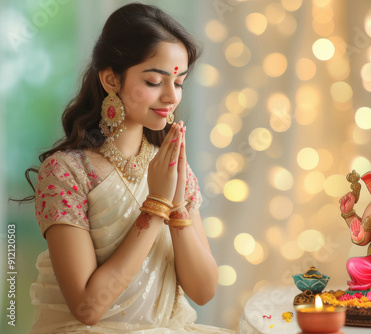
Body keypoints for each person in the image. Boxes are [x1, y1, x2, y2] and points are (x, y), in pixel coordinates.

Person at [24, 3, 235, 333]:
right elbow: (87, 308)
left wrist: (176, 206)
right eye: (154, 81)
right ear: (111, 79)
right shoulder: (67, 172)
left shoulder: (171, 169)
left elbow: (203, 292)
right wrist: (157, 206)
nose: (171, 97)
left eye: (178, 82)